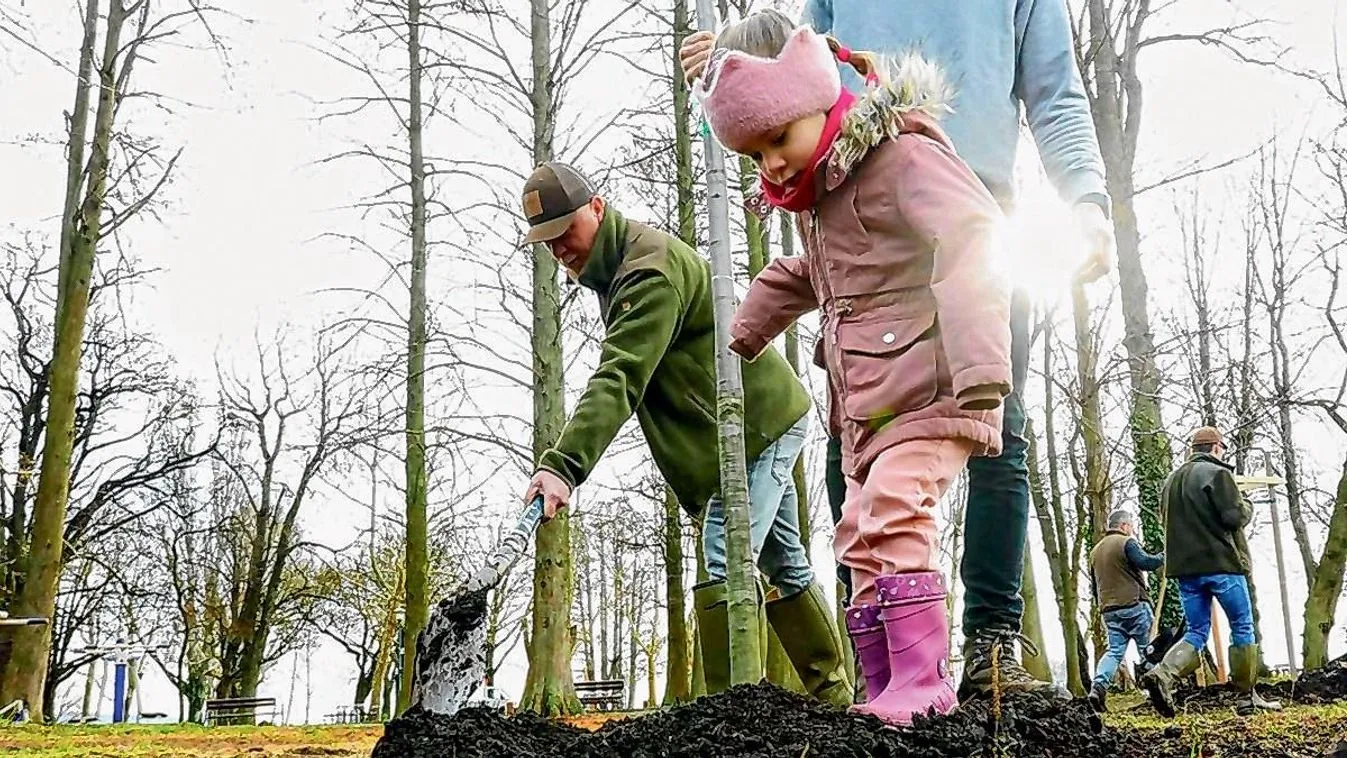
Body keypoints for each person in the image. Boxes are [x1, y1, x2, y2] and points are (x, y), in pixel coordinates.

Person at [681, 0, 1116, 700]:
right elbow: (801, 54)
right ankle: (884, 656)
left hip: (973, 208)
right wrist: (734, 62)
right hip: (847, 198)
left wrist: (1085, 201)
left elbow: (1055, 91)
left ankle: (987, 646)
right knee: (853, 444)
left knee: (990, 423)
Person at [694, 11, 1012, 725]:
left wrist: (981, 363)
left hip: (932, 386)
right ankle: (883, 684)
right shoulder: (821, 195)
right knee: (856, 533)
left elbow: (972, 237)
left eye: (777, 138)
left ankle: (923, 684)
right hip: (867, 409)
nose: (770, 163)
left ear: (815, 98)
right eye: (752, 154)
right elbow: (825, 273)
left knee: (895, 510)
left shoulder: (901, 157)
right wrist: (752, 320)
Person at [517, 161, 852, 708]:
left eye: (565, 231)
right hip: (765, 418)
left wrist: (563, 465)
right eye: (547, 241)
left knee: (724, 553)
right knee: (784, 561)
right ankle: (836, 700)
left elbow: (620, 374)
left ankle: (725, 717)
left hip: (756, 424)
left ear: (597, 208)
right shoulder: (619, 269)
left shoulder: (647, 272)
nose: (559, 250)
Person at [1140, 427, 1281, 717]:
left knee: (1196, 631)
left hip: (1186, 571)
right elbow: (1233, 516)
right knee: (1242, 625)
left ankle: (1163, 674)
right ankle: (1246, 698)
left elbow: (1164, 519)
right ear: (1216, 447)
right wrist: (1248, 506)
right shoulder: (1218, 474)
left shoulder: (1170, 480)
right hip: (1222, 565)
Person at [1086, 509, 1164, 712]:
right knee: (1147, 649)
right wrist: (1165, 555)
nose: (1132, 530)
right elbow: (1146, 562)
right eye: (1130, 526)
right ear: (1123, 526)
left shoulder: (1095, 551)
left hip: (1109, 610)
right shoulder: (1125, 543)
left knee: (1114, 651)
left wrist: (1103, 606)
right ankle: (1157, 693)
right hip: (1134, 604)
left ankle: (1098, 687)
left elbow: (1095, 586)